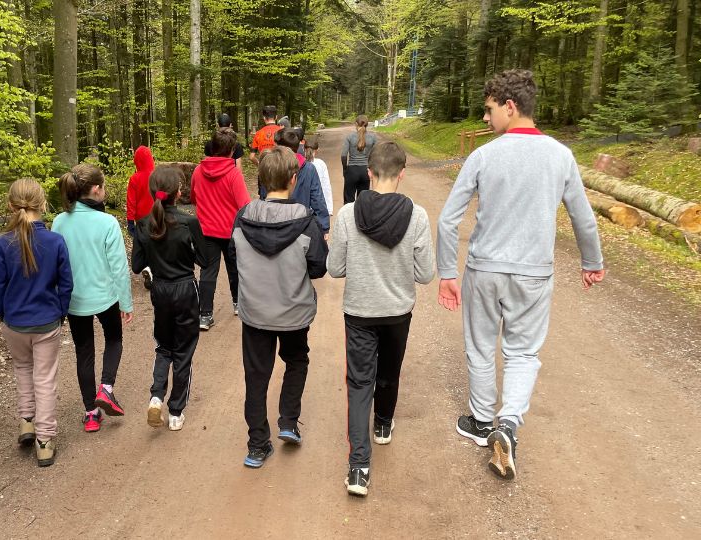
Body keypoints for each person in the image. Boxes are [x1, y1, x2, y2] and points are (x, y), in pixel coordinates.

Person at [437, 69, 605, 480]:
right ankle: (508, 422)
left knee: (480, 346)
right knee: (523, 351)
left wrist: (446, 272)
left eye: (489, 110)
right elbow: (583, 217)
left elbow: (446, 221)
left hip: (484, 269)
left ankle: (481, 422)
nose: (484, 119)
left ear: (510, 107)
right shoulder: (561, 155)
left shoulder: (483, 155)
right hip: (533, 273)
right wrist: (591, 261)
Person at [327, 142, 434, 497]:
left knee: (359, 384)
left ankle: (358, 468)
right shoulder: (417, 216)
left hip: (359, 311)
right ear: (402, 173)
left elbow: (335, 268)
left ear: (369, 173)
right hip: (397, 312)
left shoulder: (346, 215)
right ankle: (383, 425)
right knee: (389, 371)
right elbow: (425, 275)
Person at [231, 146, 328, 469]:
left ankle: (257, 445)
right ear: (293, 178)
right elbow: (318, 267)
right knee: (297, 360)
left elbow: (234, 260)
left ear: (260, 179)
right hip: (293, 311)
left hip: (255, 311)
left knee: (256, 376)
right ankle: (288, 420)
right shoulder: (305, 220)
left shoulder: (242, 217)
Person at [0, 179, 73, 467]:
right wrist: (60, 312)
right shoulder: (54, 241)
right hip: (46, 321)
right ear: (43, 204)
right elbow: (66, 284)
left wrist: (3, 313)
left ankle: (27, 421)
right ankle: (45, 439)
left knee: (23, 368)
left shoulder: (1, 243)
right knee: (45, 378)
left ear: (10, 205)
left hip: (14, 322)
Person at [52, 164, 134, 433]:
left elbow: (57, 263)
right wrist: (126, 302)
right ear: (96, 189)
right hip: (106, 296)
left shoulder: (60, 221)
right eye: (104, 186)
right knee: (114, 339)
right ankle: (106, 388)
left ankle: (90, 412)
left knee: (83, 351)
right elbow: (119, 267)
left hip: (74, 300)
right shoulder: (107, 222)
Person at [132, 166, 208, 431]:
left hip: (161, 290)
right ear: (179, 191)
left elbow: (137, 264)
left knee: (164, 346)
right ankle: (176, 412)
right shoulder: (189, 222)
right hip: (186, 288)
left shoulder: (143, 224)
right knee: (184, 350)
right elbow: (205, 259)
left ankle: (156, 397)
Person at [190, 127, 251, 330]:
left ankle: (205, 315)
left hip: (206, 230)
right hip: (231, 231)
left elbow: (193, 198)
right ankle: (237, 304)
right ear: (232, 151)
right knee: (235, 268)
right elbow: (244, 205)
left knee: (207, 272)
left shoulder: (198, 171)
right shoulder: (233, 174)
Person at [267, 128, 330, 234]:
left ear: (282, 149)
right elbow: (317, 199)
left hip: (276, 225)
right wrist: (324, 227)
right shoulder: (309, 168)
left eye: (275, 145)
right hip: (301, 224)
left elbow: (265, 195)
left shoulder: (271, 167)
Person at [127, 146, 156, 289]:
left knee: (143, 244)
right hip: (157, 217)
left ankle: (146, 266)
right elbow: (161, 195)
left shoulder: (134, 179)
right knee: (156, 244)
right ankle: (153, 268)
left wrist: (130, 221)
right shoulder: (156, 176)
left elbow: (131, 201)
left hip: (141, 220)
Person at [341, 115, 378, 204]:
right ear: (367, 124)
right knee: (363, 201)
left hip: (352, 171)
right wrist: (372, 169)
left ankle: (349, 217)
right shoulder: (372, 138)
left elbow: (343, 155)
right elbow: (376, 155)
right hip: (366, 171)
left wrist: (345, 169)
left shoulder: (350, 137)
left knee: (348, 200)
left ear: (356, 124)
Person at [305, 137, 334, 216]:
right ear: (317, 150)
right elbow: (326, 185)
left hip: (303, 204)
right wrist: (329, 208)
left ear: (304, 149)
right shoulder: (321, 164)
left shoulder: (300, 163)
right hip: (318, 203)